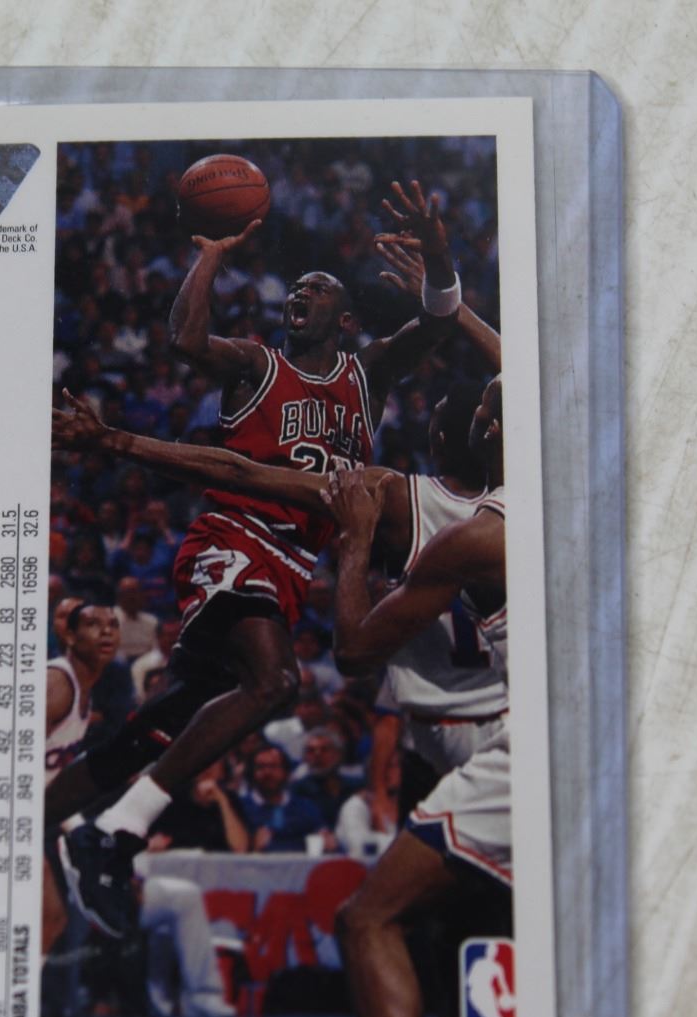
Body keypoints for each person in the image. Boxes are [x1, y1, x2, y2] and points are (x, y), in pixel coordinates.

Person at [52, 180, 464, 937]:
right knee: (274, 682)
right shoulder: (257, 364)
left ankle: (43, 818)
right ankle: (113, 833)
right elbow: (186, 341)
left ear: (346, 318)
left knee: (168, 721)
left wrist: (439, 257)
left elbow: (439, 319)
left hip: (291, 567)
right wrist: (210, 256)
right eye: (294, 288)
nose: (298, 295)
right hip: (233, 538)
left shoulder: (366, 374)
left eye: (317, 288)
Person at [321, 378, 510, 1017]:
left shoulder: (467, 533)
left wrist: (355, 541)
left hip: (492, 743)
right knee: (484, 923)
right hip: (476, 728)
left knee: (376, 918)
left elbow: (353, 653)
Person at [40, 604, 122, 956]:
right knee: (46, 917)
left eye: (113, 625)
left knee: (51, 920)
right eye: (93, 624)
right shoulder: (58, 683)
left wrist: (76, 826)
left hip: (26, 815)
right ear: (70, 637)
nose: (106, 631)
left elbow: (50, 775)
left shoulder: (86, 689)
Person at [237, 745, 330, 854]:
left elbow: (324, 839)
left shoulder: (305, 807)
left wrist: (327, 842)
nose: (267, 772)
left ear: (286, 772)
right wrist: (253, 849)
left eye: (273, 766)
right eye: (261, 767)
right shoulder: (239, 808)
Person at [112, 576, 160, 662]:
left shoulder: (152, 621)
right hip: (119, 663)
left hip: (146, 663)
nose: (132, 597)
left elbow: (156, 650)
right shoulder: (110, 618)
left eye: (135, 592)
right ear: (119, 596)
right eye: (127, 593)